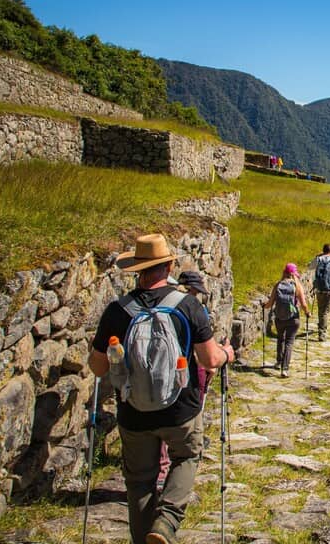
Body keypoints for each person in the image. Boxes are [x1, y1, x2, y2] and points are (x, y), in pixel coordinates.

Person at [88, 233, 235, 544]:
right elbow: (209, 359)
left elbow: (99, 368)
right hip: (180, 408)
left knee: (139, 481)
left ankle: (143, 538)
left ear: (137, 270)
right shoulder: (188, 305)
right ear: (169, 265)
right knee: (186, 457)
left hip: (133, 410)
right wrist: (227, 354)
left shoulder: (117, 311)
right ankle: (166, 523)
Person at [158, 272, 214, 487]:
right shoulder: (191, 308)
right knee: (187, 414)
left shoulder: (146, 304)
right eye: (196, 291)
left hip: (153, 375)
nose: (197, 295)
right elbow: (207, 354)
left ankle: (161, 465)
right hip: (186, 372)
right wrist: (221, 357)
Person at [263, 263, 310, 377]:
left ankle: (279, 362)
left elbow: (269, 304)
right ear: (294, 274)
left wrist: (264, 306)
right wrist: (307, 312)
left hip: (279, 318)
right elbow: (303, 304)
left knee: (280, 339)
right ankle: (285, 369)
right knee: (289, 342)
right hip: (293, 319)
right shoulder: (297, 286)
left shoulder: (278, 285)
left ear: (284, 272)